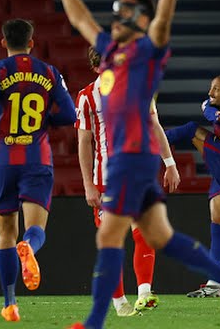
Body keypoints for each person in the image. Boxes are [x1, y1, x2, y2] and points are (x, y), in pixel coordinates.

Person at [46, 0, 220, 329]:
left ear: (140, 19)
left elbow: (162, 22)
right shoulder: (111, 53)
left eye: (126, 11)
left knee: (111, 237)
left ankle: (95, 322)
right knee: (159, 236)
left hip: (131, 160)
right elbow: (79, 18)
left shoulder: (146, 51)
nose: (118, 18)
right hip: (130, 162)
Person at [0, 18, 77, 322]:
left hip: (1, 158)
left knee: (5, 232)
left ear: (3, 42)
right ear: (32, 42)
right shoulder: (49, 72)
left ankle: (10, 303)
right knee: (36, 229)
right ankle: (29, 247)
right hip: (36, 157)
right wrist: (44, 121)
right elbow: (69, 114)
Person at [75, 47, 181, 316]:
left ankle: (144, 293)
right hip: (106, 179)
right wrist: (88, 184)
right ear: (96, 68)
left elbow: (154, 125)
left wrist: (169, 163)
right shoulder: (87, 97)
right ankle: (119, 302)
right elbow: (84, 142)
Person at [164, 74, 220, 298]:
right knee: (218, 224)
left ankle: (147, 144)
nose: (210, 93)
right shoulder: (210, 105)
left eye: (215, 89)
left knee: (191, 129)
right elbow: (207, 110)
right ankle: (215, 283)